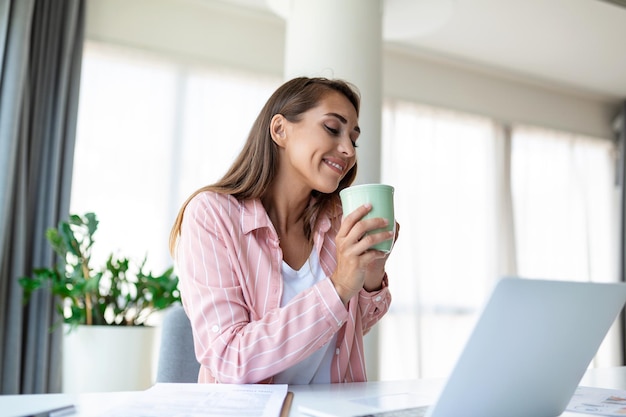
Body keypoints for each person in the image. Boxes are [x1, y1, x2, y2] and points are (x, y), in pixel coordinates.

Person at [169, 76, 399, 385]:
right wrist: (339, 285)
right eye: (333, 129)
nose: (347, 150)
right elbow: (230, 358)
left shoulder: (336, 222)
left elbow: (352, 329)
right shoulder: (212, 215)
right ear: (280, 130)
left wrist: (370, 272)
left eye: (353, 139)